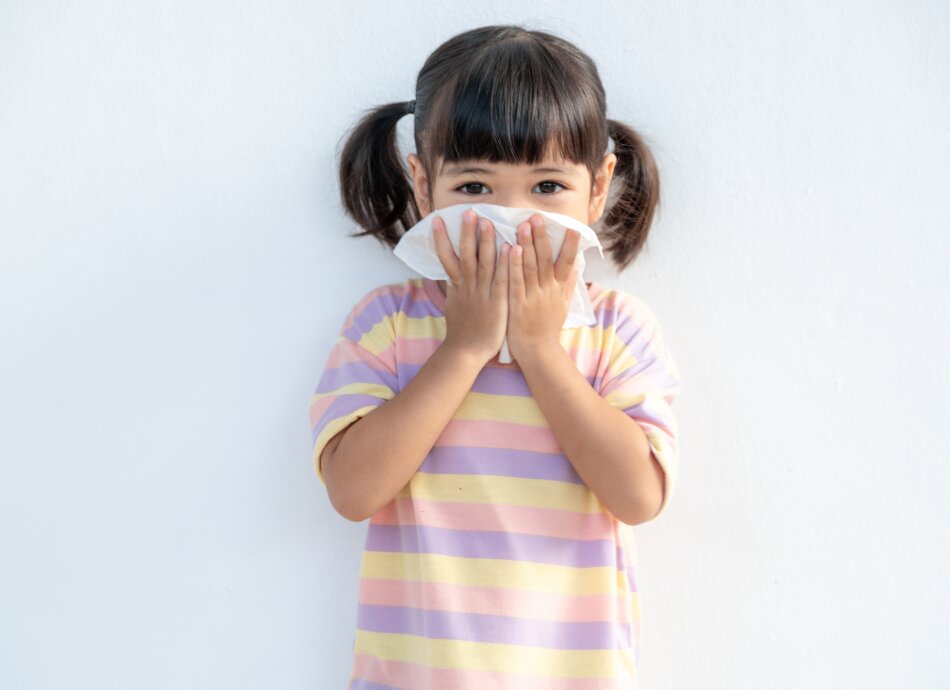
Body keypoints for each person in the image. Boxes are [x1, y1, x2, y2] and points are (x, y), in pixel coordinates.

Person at [308, 23, 682, 689]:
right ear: (425, 186)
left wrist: (538, 348)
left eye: (546, 188)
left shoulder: (616, 330)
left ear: (596, 189)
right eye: (475, 188)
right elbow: (353, 491)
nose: (512, 216)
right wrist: (466, 346)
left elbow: (639, 495)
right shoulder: (387, 326)